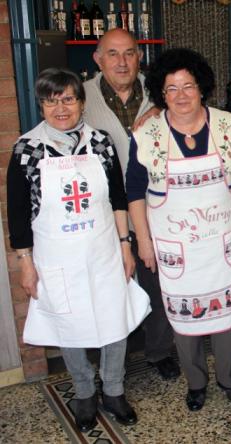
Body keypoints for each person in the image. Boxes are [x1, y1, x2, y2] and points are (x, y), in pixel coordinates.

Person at [7, 68, 151, 432]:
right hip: (57, 258)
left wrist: (125, 245)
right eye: (51, 100)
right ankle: (85, 391)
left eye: (68, 99)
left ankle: (115, 389)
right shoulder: (26, 150)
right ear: (40, 105)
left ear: (81, 102)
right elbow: (18, 215)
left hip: (103, 251)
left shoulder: (100, 142)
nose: (61, 108)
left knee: (113, 319)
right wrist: (25, 264)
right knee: (68, 324)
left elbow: (118, 199)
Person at [126, 48, 231, 411]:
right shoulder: (147, 133)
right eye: (171, 88)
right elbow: (134, 191)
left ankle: (228, 378)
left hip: (222, 243)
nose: (181, 95)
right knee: (183, 322)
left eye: (188, 86)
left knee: (227, 318)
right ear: (160, 94)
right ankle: (196, 382)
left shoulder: (228, 125)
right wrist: (144, 241)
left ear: (202, 88)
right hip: (175, 247)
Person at [82, 28, 179, 380]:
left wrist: (163, 114)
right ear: (98, 58)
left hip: (154, 209)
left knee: (157, 284)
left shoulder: (160, 91)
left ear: (140, 56)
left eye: (129, 53)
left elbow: (190, 121)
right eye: (112, 53)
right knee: (111, 288)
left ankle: (158, 351)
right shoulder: (81, 97)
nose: (122, 62)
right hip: (103, 214)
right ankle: (112, 360)